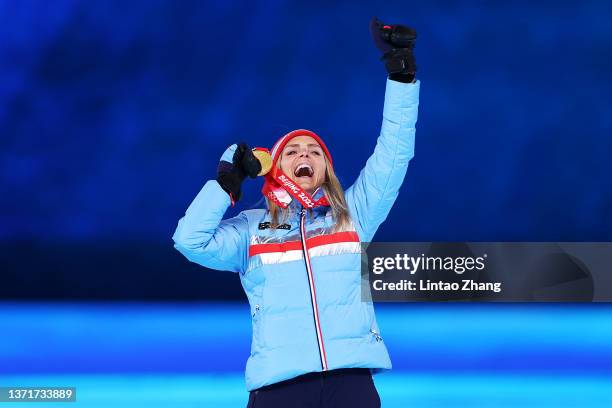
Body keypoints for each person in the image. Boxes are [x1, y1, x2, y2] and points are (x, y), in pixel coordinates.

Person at [173, 17, 421, 408]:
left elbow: (394, 153)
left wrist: (401, 77)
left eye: (314, 151)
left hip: (350, 385)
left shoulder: (353, 215)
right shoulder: (251, 230)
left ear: (325, 168)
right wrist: (225, 185)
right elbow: (189, 241)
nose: (304, 154)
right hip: (280, 388)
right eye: (292, 151)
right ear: (276, 168)